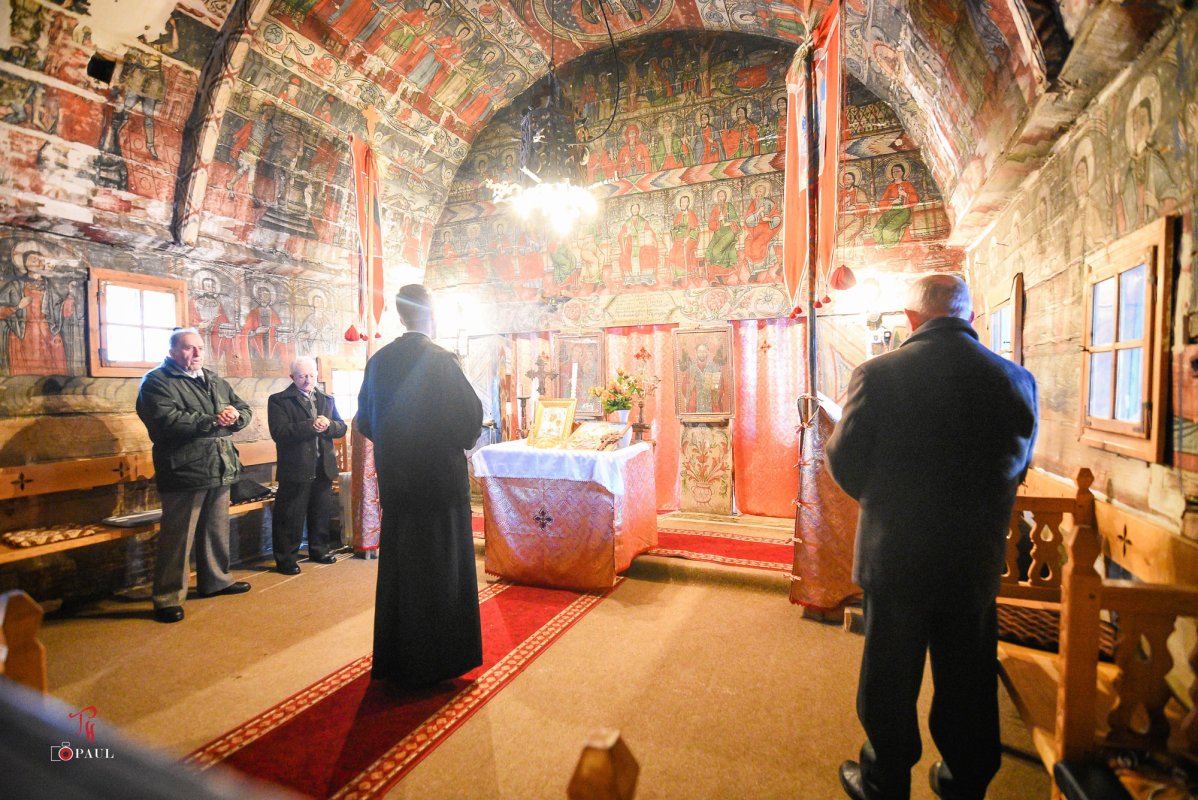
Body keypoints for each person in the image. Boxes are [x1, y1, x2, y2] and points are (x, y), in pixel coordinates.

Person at [825, 275, 1038, 800]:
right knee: (968, 676)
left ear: (912, 319)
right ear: (968, 318)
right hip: (972, 559)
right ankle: (964, 780)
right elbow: (1018, 465)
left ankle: (884, 778)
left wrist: (887, 502)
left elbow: (843, 460)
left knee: (889, 678)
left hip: (895, 554)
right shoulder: (1014, 379)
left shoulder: (877, 375)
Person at [356, 284, 484, 688]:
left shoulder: (378, 362)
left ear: (400, 316)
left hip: (398, 482)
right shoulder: (442, 360)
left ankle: (399, 659)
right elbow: (468, 425)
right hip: (439, 487)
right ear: (431, 314)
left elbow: (364, 421)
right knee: (441, 569)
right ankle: (437, 662)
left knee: (403, 568)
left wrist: (398, 445)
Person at [136, 329, 253, 624]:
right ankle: (167, 597)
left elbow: (243, 408)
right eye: (189, 348)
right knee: (178, 536)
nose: (198, 353)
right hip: (184, 468)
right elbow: (166, 421)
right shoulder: (157, 382)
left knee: (216, 528)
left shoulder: (213, 378)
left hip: (219, 464)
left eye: (200, 348)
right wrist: (213, 420)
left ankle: (216, 580)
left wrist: (235, 416)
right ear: (173, 351)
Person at [267, 357, 347, 575]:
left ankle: (319, 550)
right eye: (302, 376)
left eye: (311, 375)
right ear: (292, 377)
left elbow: (341, 428)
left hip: (323, 465)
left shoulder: (326, 399)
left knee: (320, 512)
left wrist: (329, 425)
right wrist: (311, 425)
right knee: (290, 516)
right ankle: (286, 559)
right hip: (296, 467)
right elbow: (280, 432)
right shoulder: (279, 400)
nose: (307, 380)